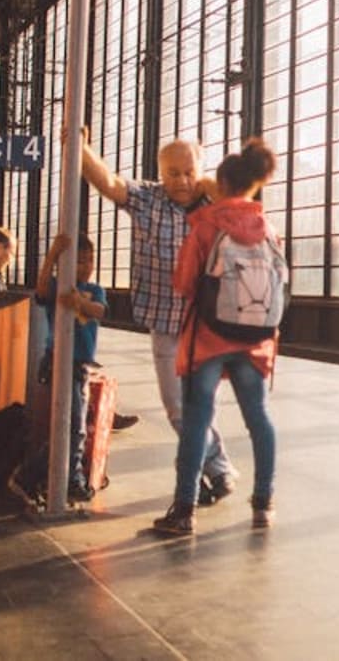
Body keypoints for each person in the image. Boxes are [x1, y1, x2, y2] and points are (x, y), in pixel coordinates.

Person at [80, 131, 231, 487]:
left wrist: (207, 182)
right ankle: (219, 467)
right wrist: (81, 149)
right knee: (178, 411)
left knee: (200, 408)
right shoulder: (147, 199)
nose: (182, 180)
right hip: (165, 324)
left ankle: (215, 475)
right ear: (161, 174)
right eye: (173, 173)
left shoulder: (214, 204)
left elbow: (245, 203)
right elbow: (109, 183)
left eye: (190, 171)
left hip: (207, 326)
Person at [157, 140, 282, 534]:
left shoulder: (206, 225)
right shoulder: (268, 229)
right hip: (255, 340)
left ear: (220, 183)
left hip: (209, 339)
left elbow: (183, 283)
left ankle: (184, 511)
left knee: (196, 420)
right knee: (259, 419)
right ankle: (263, 503)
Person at [11, 233, 108, 506]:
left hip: (80, 367)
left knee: (72, 425)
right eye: (79, 262)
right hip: (59, 362)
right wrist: (52, 256)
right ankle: (60, 478)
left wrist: (80, 304)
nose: (86, 267)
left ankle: (41, 477)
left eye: (90, 261)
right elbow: (41, 290)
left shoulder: (95, 290)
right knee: (73, 426)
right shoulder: (57, 287)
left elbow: (99, 311)